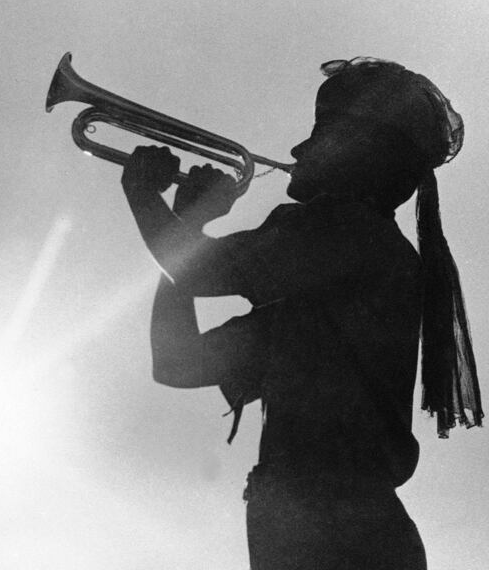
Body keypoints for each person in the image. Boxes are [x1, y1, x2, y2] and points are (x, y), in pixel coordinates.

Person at [120, 58, 481, 569]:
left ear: (359, 151)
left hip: (331, 532)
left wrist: (152, 199)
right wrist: (183, 224)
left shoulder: (349, 230)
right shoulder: (312, 304)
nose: (296, 150)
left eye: (319, 134)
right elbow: (177, 363)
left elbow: (198, 272)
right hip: (320, 529)